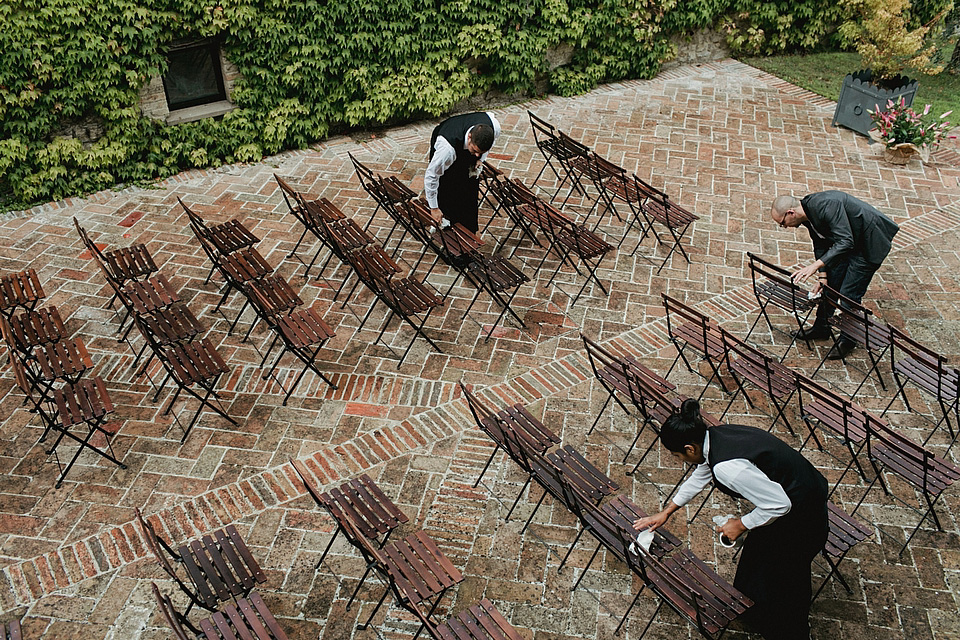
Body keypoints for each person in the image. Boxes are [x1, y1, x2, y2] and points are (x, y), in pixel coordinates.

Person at [633, 399, 828, 640]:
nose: (679, 460)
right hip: (791, 496)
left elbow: (779, 504)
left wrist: (741, 524)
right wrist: (668, 510)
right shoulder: (712, 437)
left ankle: (793, 632)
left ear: (689, 448)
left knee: (789, 576)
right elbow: (702, 472)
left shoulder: (727, 468)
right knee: (757, 558)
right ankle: (754, 610)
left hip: (801, 512)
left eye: (677, 455)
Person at [770, 191, 899, 360]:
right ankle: (822, 328)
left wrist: (816, 265)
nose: (784, 227)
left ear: (790, 213)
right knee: (829, 285)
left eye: (782, 223)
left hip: (868, 242)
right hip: (847, 241)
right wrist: (822, 276)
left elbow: (846, 241)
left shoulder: (825, 207)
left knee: (848, 294)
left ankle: (848, 339)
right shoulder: (806, 214)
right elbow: (820, 244)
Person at [424, 111, 501, 234]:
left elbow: (487, 146)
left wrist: (481, 159)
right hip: (448, 141)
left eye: (480, 152)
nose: (476, 155)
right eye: (475, 150)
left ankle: (468, 231)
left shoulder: (493, 127)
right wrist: (434, 208)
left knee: (469, 191)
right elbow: (431, 176)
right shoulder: (446, 150)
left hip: (462, 152)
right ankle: (444, 222)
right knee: (447, 187)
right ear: (469, 137)